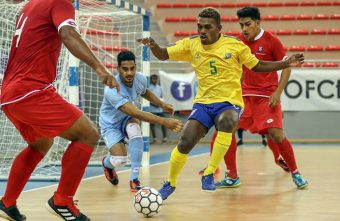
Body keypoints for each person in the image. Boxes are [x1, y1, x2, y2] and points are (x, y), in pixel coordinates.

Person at [137, 7, 304, 200]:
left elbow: (258, 65)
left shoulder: (235, 45)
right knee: (185, 141)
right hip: (203, 104)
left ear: (219, 28)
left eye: (207, 27)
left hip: (230, 102)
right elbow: (164, 54)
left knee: (228, 123)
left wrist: (285, 63)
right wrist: (154, 46)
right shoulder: (191, 44)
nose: (202, 31)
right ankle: (171, 183)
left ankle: (210, 172)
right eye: (199, 27)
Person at [0, 0, 119, 220]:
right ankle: (62, 200)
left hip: (9, 94)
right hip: (31, 90)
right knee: (88, 134)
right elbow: (68, 35)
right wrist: (99, 67)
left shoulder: (30, 6)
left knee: (41, 143)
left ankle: (7, 202)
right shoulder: (59, 2)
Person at [213, 7, 308, 190]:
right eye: (241, 25)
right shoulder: (238, 42)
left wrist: (277, 93)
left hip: (266, 96)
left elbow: (287, 67)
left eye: (247, 24)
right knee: (224, 131)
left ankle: (296, 173)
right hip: (243, 98)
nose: (244, 29)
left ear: (258, 22)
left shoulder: (272, 41)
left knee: (276, 134)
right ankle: (232, 176)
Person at [100, 51, 183, 192]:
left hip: (126, 119)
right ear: (118, 69)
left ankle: (134, 179)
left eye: (132, 68)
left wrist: (162, 104)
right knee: (119, 161)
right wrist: (164, 121)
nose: (129, 73)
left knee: (134, 128)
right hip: (111, 124)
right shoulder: (112, 89)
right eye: (125, 69)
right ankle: (107, 164)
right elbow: (135, 112)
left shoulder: (141, 79)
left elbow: (144, 91)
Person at [148, 74, 168, 144]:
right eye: (153, 79)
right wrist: (155, 104)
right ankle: (155, 139)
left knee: (164, 123)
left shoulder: (160, 88)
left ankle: (165, 138)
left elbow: (161, 98)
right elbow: (147, 99)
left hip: (159, 109)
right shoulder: (149, 88)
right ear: (151, 79)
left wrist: (161, 104)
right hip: (152, 109)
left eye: (156, 79)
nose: (155, 80)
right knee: (152, 124)